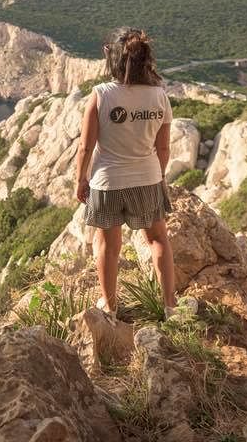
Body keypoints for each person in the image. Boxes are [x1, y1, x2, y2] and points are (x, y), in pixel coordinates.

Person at [74, 27, 196, 321]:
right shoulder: (159, 97)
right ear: (146, 61)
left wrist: (80, 179)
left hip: (107, 182)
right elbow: (163, 148)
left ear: (113, 60)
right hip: (147, 178)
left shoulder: (101, 95)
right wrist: (159, 176)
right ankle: (170, 307)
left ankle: (110, 307)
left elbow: (85, 147)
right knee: (158, 240)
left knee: (107, 245)